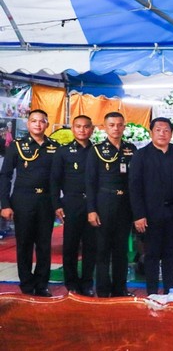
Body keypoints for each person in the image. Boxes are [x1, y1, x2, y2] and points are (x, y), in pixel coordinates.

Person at [0, 109, 59, 296]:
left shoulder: (54, 146)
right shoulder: (17, 146)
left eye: (42, 121)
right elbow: (5, 176)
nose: (38, 124)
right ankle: (26, 283)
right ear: (28, 124)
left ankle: (42, 284)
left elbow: (59, 177)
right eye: (34, 121)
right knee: (24, 244)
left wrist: (59, 203)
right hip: (23, 200)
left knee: (44, 244)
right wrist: (5, 204)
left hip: (46, 201)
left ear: (47, 124)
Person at [129, 117, 173, 295]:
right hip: (150, 214)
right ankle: (152, 293)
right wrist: (138, 215)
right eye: (158, 130)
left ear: (171, 133)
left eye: (166, 130)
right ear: (151, 132)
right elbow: (134, 186)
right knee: (152, 255)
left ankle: (170, 292)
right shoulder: (141, 155)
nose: (162, 133)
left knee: (170, 254)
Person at [86, 112, 137, 298]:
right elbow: (90, 182)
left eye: (119, 124)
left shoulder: (131, 149)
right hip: (104, 203)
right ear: (105, 127)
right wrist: (91, 210)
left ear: (124, 126)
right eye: (112, 125)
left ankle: (120, 289)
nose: (116, 128)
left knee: (121, 251)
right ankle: (102, 290)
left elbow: (136, 180)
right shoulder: (97, 150)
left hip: (125, 205)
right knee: (102, 250)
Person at [50, 115, 96, 296]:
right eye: (78, 126)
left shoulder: (98, 151)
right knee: (70, 245)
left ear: (92, 129)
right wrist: (56, 204)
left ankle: (87, 283)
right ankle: (71, 283)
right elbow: (54, 180)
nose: (82, 130)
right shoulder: (63, 152)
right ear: (73, 129)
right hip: (71, 203)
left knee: (91, 246)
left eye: (86, 127)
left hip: (93, 205)